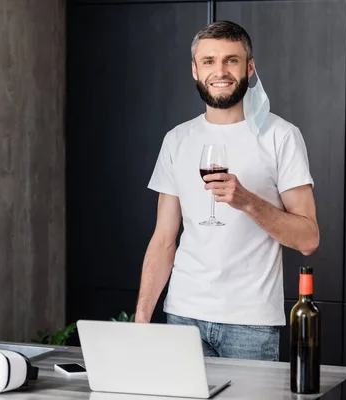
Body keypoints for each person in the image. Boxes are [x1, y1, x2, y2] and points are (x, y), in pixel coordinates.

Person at [135, 20, 319, 361]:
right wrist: (142, 319)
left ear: (249, 68)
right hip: (183, 318)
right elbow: (163, 239)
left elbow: (308, 239)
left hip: (251, 325)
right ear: (195, 70)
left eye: (231, 60)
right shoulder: (177, 140)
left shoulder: (281, 136)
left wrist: (247, 201)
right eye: (209, 61)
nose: (220, 70)